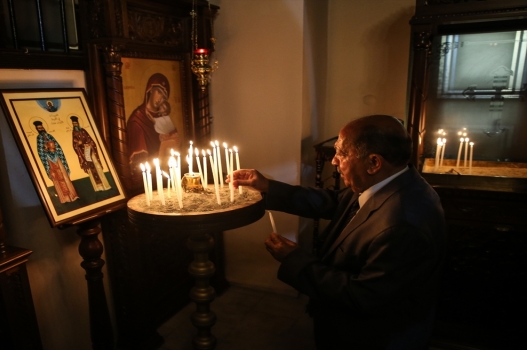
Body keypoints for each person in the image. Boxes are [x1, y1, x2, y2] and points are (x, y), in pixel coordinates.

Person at [228, 115, 446, 350]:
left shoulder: (402, 225)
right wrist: (269, 187)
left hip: (371, 338)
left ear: (374, 162)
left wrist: (295, 259)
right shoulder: (390, 181)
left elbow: (363, 296)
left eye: (342, 153)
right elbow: (334, 202)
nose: (334, 161)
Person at [127, 73, 180, 172]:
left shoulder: (164, 118)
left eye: (164, 97)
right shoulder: (137, 120)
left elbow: (176, 143)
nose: (160, 99)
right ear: (150, 89)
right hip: (149, 176)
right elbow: (139, 162)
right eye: (159, 92)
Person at [34, 121, 79, 204]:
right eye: (39, 128)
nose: (41, 129)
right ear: (37, 129)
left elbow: (58, 147)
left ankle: (73, 195)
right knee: (57, 178)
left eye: (41, 127)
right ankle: (64, 198)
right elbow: (41, 152)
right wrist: (46, 149)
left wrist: (55, 150)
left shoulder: (50, 136)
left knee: (64, 175)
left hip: (57, 158)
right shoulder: (39, 138)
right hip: (50, 161)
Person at [70, 116, 111, 191]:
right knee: (91, 170)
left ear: (78, 123)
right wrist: (78, 144)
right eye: (73, 124)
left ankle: (105, 186)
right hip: (84, 154)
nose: (75, 125)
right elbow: (74, 145)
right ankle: (98, 188)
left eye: (76, 123)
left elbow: (91, 141)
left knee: (97, 167)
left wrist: (89, 144)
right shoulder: (74, 133)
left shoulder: (83, 131)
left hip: (90, 152)